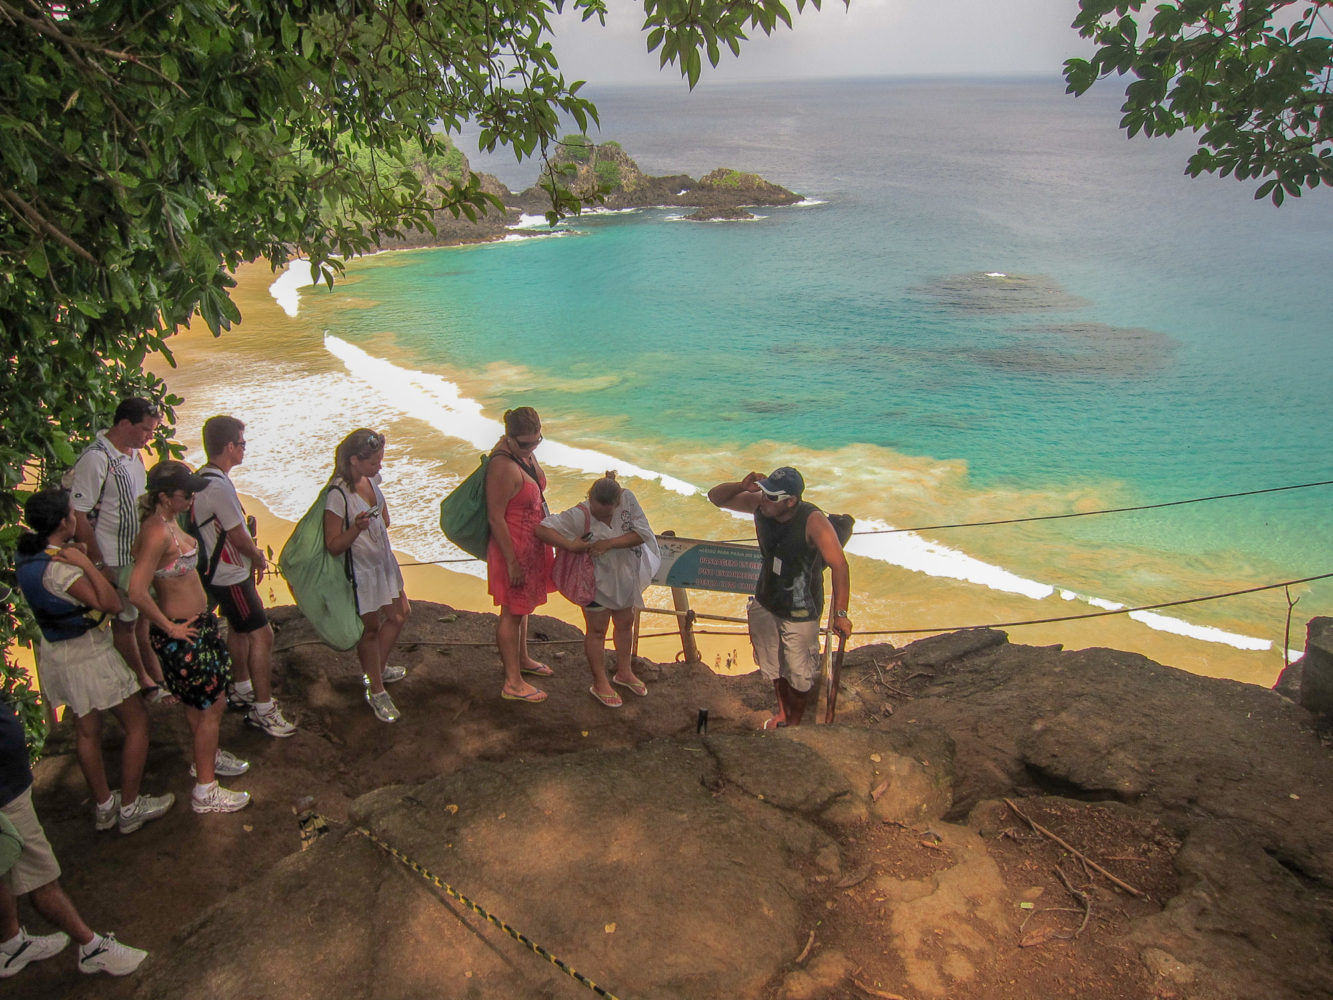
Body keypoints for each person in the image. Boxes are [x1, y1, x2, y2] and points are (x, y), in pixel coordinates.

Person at [14, 489, 174, 835]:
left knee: (87, 730)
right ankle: (130, 807)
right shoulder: (63, 570)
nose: (79, 518)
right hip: (88, 654)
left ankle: (105, 805)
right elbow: (111, 604)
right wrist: (88, 563)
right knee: (138, 724)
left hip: (58, 652)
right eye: (74, 514)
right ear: (63, 522)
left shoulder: (29, 556)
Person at [129, 461, 251, 814]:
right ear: (165, 497)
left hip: (197, 625)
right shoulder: (155, 533)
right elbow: (136, 592)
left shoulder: (169, 522)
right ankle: (206, 791)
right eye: (186, 494)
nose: (192, 498)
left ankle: (206, 760)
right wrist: (170, 628)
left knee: (202, 705)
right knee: (212, 705)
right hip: (183, 633)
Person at [0, 696, 149, 977]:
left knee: (4, 868)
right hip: (6, 795)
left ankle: (10, 944)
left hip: (10, 784)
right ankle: (90, 947)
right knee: (42, 878)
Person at [707, 467, 853, 728]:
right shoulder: (761, 505)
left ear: (791, 501)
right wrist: (741, 486)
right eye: (765, 493)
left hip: (801, 609)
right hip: (767, 598)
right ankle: (784, 714)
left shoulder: (813, 521)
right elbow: (715, 497)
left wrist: (840, 614)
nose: (765, 499)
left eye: (772, 497)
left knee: (799, 674)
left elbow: (840, 565)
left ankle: (794, 722)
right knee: (773, 666)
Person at [192, 415, 295, 737]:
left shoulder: (203, 478)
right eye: (242, 444)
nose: (244, 449)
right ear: (229, 447)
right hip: (230, 575)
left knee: (237, 628)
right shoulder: (218, 486)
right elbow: (238, 536)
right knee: (262, 635)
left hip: (217, 571)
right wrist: (259, 558)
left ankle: (241, 687)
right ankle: (264, 709)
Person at [66, 397, 168, 700]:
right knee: (125, 622)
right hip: (115, 556)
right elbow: (79, 514)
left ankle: (154, 677)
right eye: (145, 431)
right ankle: (143, 681)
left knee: (141, 620)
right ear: (124, 424)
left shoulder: (134, 454)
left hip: (138, 554)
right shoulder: (97, 458)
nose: (149, 437)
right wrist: (98, 563)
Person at [536, 473, 661, 707]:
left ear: (617, 502)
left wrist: (608, 543)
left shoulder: (627, 500)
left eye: (608, 512)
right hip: (593, 582)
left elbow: (643, 535)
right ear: (589, 498)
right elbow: (543, 529)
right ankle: (600, 681)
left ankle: (624, 672)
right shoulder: (578, 515)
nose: (602, 515)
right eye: (597, 510)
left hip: (624, 578)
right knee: (596, 630)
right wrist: (570, 545)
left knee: (625, 622)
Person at [322, 429, 411, 723]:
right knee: (370, 629)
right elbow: (333, 545)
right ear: (354, 461)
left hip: (383, 561)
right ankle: (377, 690)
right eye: (374, 463)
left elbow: (383, 517)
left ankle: (376, 668)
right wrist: (356, 529)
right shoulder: (337, 495)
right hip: (360, 572)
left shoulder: (370, 479)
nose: (379, 468)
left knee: (400, 614)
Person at [485, 407, 555, 703]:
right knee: (511, 612)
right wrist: (512, 561)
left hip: (531, 544)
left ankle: (523, 658)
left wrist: (529, 451)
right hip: (511, 547)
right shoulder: (502, 464)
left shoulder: (525, 454)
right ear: (508, 438)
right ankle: (512, 682)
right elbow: (495, 517)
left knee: (523, 607)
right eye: (524, 443)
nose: (531, 447)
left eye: (536, 441)